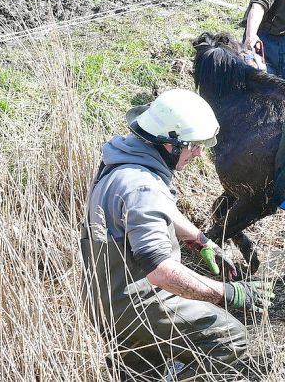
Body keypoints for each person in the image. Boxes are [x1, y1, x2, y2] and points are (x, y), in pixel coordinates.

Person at [80, 89, 274, 378]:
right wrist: (227, 293)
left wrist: (200, 240)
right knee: (230, 338)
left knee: (142, 369)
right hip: (136, 300)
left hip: (105, 296)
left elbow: (158, 210)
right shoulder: (143, 185)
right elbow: (161, 271)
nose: (199, 153)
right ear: (170, 144)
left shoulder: (124, 158)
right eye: (193, 145)